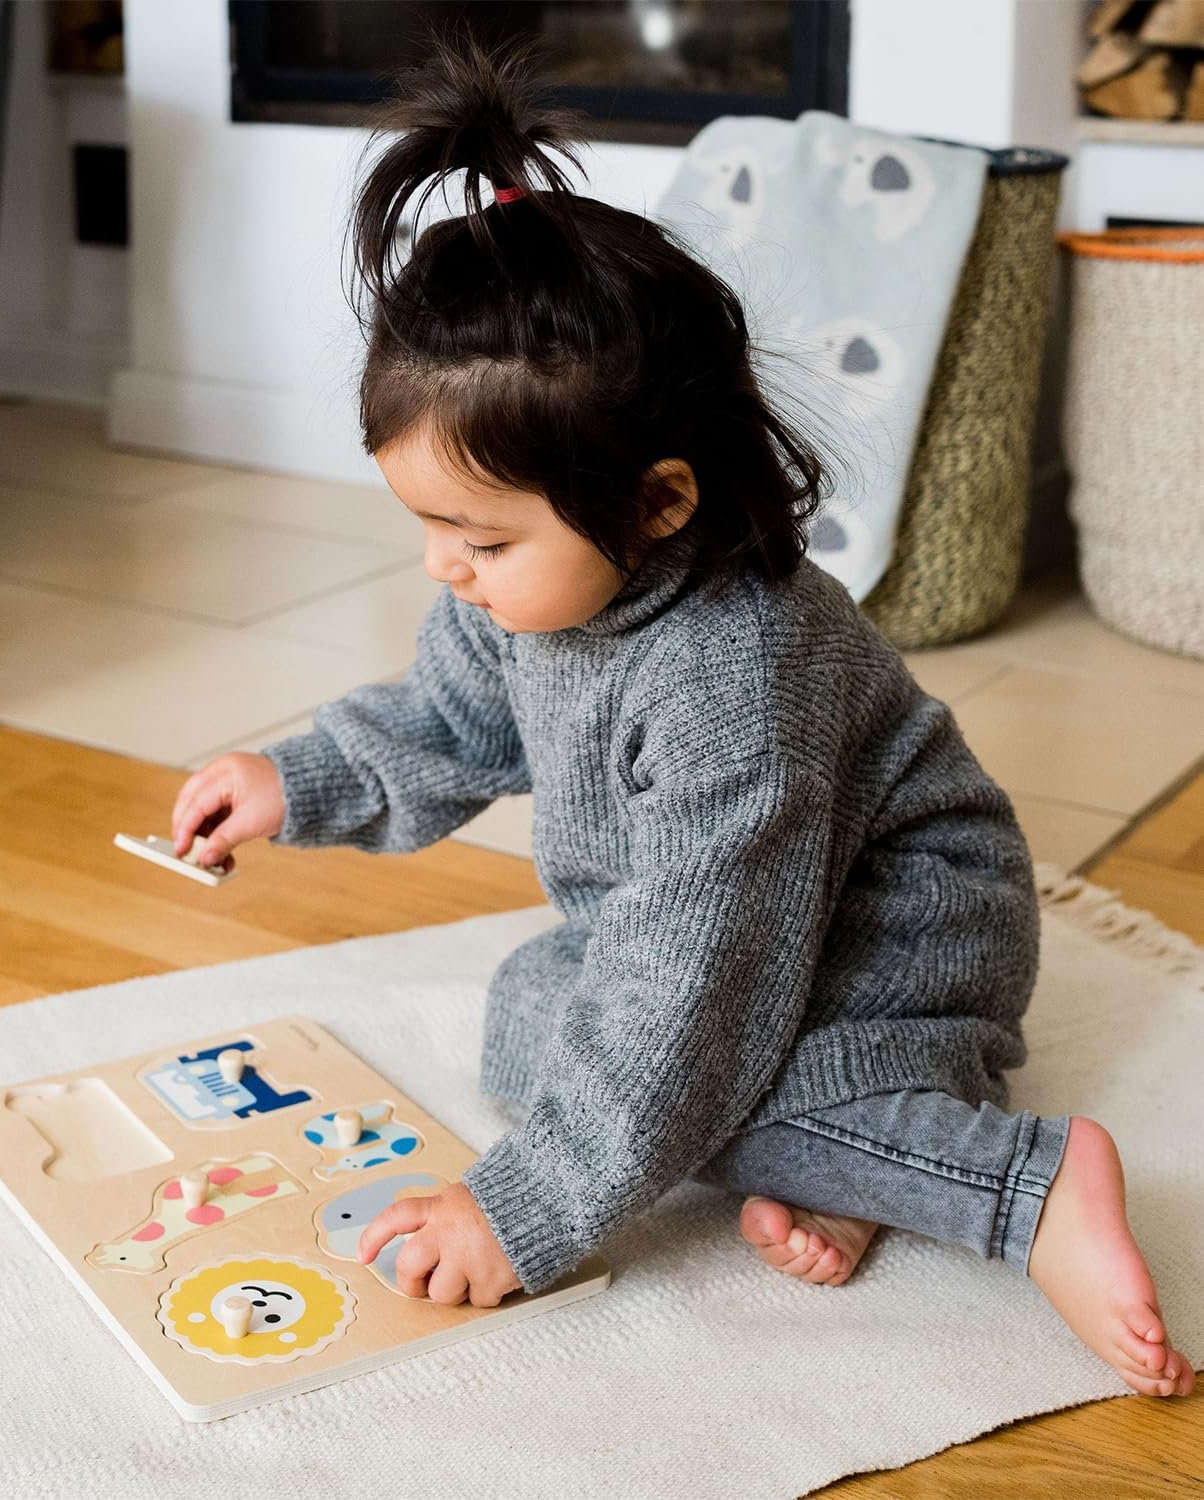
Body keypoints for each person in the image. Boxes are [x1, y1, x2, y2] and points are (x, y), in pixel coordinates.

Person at [171, 41, 1193, 1398]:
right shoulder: (515, 597)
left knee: (665, 1065)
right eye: (427, 529)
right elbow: (444, 719)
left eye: (477, 539)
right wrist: (294, 779)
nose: (443, 571)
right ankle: (867, 1149)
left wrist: (520, 1214)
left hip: (896, 922)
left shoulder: (736, 677)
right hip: (722, 913)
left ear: (658, 503)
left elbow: (689, 984)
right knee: (534, 1025)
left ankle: (1021, 1184)